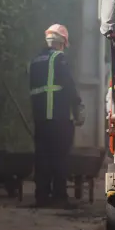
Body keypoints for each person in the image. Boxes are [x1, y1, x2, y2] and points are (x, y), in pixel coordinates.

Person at [29, 24, 85, 207]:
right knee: (60, 157)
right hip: (58, 117)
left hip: (40, 118)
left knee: (42, 157)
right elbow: (68, 84)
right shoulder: (59, 58)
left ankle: (41, 197)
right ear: (62, 43)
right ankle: (59, 197)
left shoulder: (35, 61)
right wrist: (77, 105)